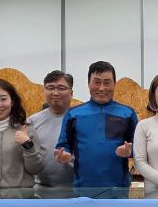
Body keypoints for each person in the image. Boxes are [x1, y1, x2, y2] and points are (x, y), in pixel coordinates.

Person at [55, 61, 138, 190]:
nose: (102, 88)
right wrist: (63, 155)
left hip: (118, 190)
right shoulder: (73, 114)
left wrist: (130, 151)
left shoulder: (127, 113)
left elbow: (138, 147)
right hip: (83, 189)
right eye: (97, 82)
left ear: (115, 84)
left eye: (107, 82)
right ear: (88, 83)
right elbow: (63, 145)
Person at [28, 70, 75, 189]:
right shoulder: (32, 121)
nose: (55, 92)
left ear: (71, 93)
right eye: (50, 88)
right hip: (40, 190)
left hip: (75, 189)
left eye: (61, 88)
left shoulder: (81, 119)